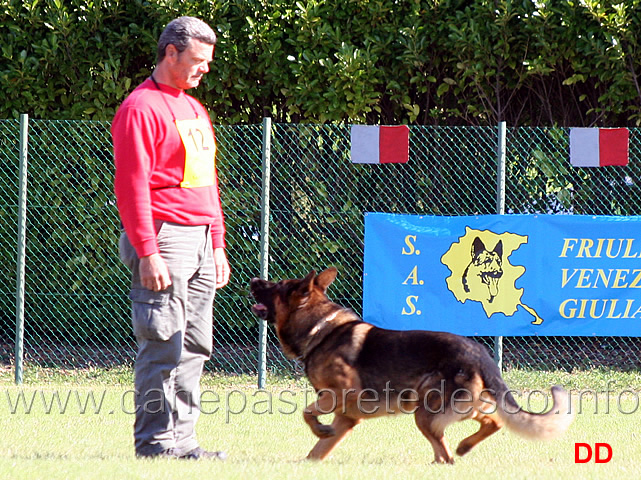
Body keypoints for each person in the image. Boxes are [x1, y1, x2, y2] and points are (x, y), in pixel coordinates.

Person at [112, 16, 230, 460]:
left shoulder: (194, 109)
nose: (205, 69)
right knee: (163, 343)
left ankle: (184, 443)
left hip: (200, 240)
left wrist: (216, 243)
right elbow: (132, 185)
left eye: (208, 61)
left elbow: (206, 181)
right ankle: (155, 445)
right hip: (164, 239)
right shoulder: (140, 108)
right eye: (198, 61)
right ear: (171, 53)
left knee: (194, 346)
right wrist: (148, 251)